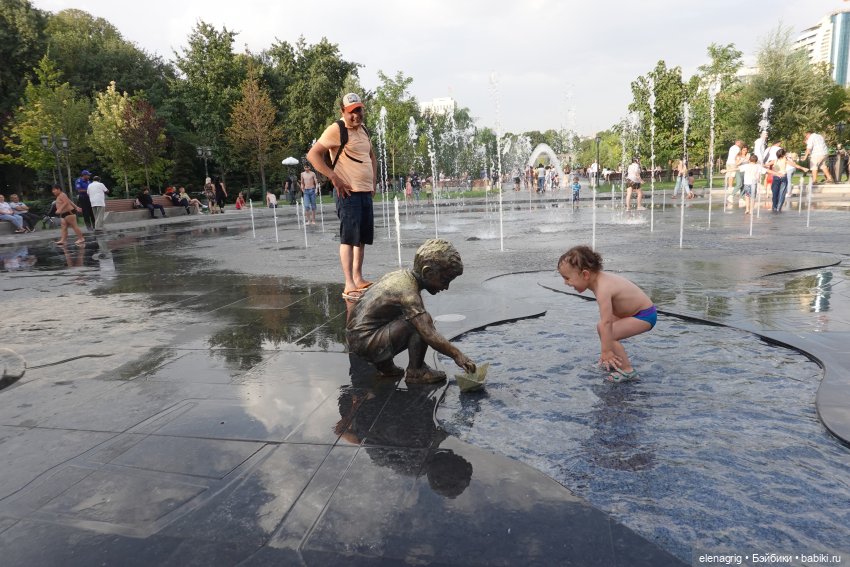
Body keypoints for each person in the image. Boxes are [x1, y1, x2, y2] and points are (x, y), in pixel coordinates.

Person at [346, 239, 476, 384]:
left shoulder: (401, 276)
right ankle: (416, 371)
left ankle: (385, 365)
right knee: (419, 323)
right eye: (445, 279)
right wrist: (458, 355)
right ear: (427, 272)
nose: (446, 287)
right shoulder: (409, 294)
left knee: (408, 316)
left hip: (357, 337)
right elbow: (428, 333)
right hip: (365, 342)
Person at [307, 92, 378, 301]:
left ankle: (358, 278)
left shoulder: (364, 129)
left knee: (361, 238)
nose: (356, 115)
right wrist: (333, 177)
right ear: (343, 112)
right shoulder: (337, 129)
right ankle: (349, 284)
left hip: (364, 191)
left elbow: (372, 157)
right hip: (348, 193)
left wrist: (373, 181)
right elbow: (313, 155)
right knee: (348, 238)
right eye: (352, 112)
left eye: (359, 110)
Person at [557, 245, 656, 383]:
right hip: (631, 312)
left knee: (610, 333)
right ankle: (612, 361)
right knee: (603, 329)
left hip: (644, 315)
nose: (565, 283)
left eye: (567, 278)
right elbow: (605, 323)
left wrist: (606, 351)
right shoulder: (598, 281)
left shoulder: (603, 288)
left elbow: (607, 322)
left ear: (585, 274)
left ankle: (627, 370)